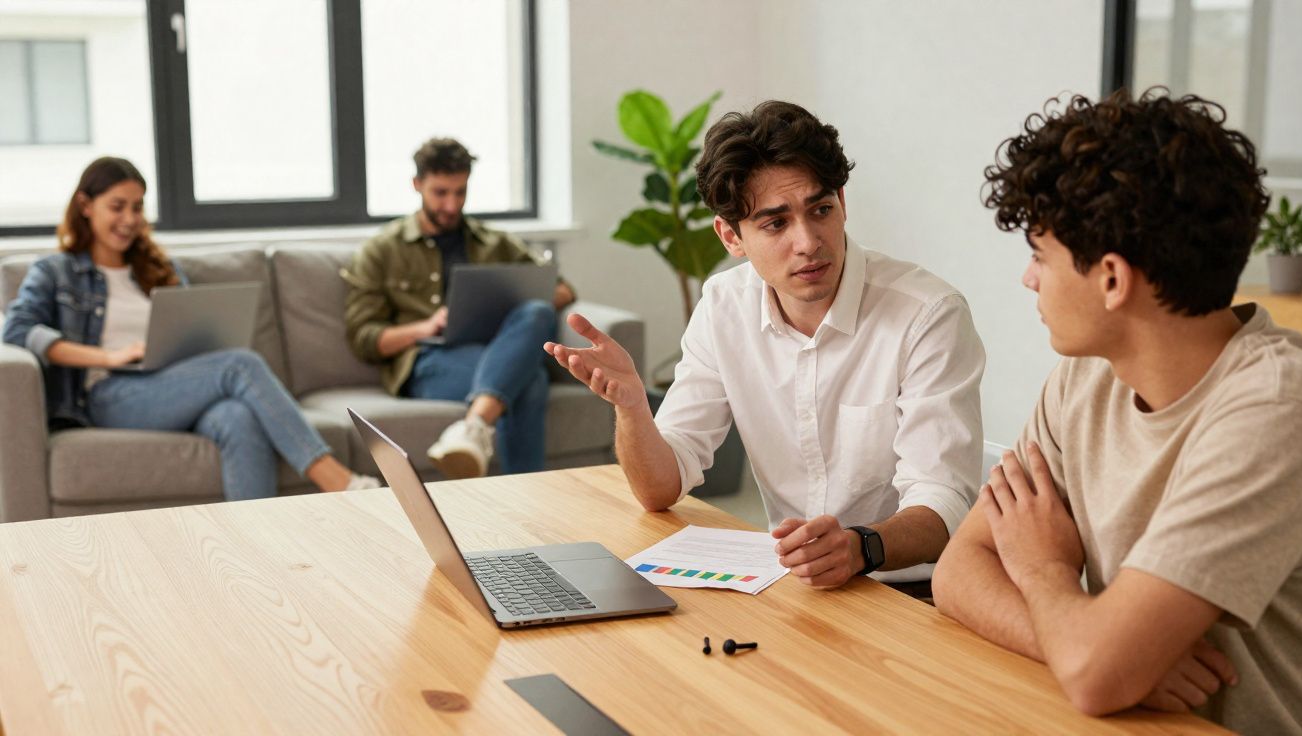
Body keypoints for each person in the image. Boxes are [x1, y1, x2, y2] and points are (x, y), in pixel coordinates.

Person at [933, 89, 1302, 733]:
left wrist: (1044, 570)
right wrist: (1095, 648)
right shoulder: (1083, 376)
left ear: (1112, 279)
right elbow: (958, 573)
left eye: (1040, 256)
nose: (1029, 279)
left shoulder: (1279, 407)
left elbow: (1094, 671)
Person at [545, 101, 985, 589]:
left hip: (912, 589)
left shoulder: (927, 313)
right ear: (731, 237)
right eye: (776, 224)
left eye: (821, 210)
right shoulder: (723, 306)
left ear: (842, 201)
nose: (808, 241)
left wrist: (861, 547)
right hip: (796, 585)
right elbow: (661, 487)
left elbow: (942, 501)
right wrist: (631, 408)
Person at [2, 157, 378, 501]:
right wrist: (108, 356)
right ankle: (338, 482)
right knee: (239, 364)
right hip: (107, 393)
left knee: (237, 417)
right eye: (117, 206)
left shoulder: (158, 269)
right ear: (86, 206)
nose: (129, 219)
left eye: (137, 207)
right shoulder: (55, 271)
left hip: (174, 384)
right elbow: (16, 331)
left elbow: (190, 332)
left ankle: (257, 548)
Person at [343, 138, 575, 479]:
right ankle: (530, 508)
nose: (452, 205)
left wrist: (509, 304)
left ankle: (472, 428)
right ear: (417, 184)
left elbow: (564, 289)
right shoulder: (382, 250)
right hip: (428, 361)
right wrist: (426, 327)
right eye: (440, 192)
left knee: (537, 311)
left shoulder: (493, 242)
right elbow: (363, 338)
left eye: (460, 192)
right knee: (531, 380)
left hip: (496, 348)